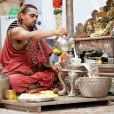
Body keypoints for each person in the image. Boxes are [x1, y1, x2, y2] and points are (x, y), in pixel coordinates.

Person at [0, 4, 68, 95]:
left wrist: (52, 66)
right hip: (16, 74)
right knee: (13, 81)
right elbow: (30, 36)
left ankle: (34, 86)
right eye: (32, 16)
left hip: (33, 73)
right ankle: (40, 85)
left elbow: (41, 58)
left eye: (36, 16)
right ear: (22, 16)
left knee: (60, 71)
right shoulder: (15, 31)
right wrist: (55, 32)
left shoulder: (36, 35)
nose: (35, 19)